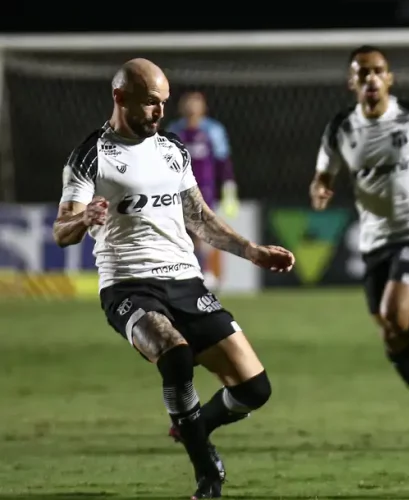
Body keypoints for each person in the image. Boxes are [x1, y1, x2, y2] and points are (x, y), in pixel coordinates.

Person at [52, 58, 295, 499]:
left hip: (186, 281)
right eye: (151, 103)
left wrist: (253, 252)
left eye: (164, 103)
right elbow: (61, 231)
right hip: (128, 285)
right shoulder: (91, 156)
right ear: (120, 98)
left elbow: (200, 219)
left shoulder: (172, 150)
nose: (160, 113)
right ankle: (208, 475)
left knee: (255, 389)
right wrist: (84, 217)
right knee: (175, 355)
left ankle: (193, 427)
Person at [309, 45, 409, 438]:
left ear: (389, 78)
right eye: (362, 73)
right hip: (374, 238)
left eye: (378, 70)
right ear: (352, 82)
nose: (371, 78)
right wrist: (320, 190)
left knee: (396, 313)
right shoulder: (341, 128)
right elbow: (323, 175)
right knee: (390, 332)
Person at [165, 91, 238, 291]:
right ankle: (189, 272)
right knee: (181, 232)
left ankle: (207, 272)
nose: (191, 107)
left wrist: (229, 188)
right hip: (176, 190)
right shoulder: (174, 131)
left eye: (195, 103)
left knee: (202, 230)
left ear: (203, 107)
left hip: (204, 189)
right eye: (187, 103)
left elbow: (223, 161)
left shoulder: (213, 130)